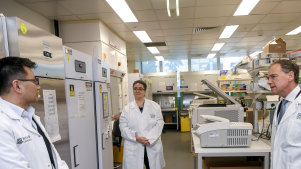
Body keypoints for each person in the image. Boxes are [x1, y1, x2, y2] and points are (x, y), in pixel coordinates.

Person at [0, 57, 69, 169]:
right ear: (17, 86)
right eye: (34, 81)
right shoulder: (2, 123)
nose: (38, 86)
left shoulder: (30, 116)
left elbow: (55, 159)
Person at [119, 80, 165, 169]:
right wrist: (136, 138)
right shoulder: (127, 109)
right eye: (135, 89)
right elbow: (123, 127)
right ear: (133, 91)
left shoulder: (154, 106)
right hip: (134, 145)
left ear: (144, 91)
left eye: (140, 89)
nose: (137, 91)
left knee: (152, 165)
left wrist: (149, 139)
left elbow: (159, 123)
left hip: (151, 143)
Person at [267, 59, 301, 169]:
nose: (269, 81)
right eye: (268, 77)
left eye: (273, 76)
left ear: (290, 76)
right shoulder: (281, 105)